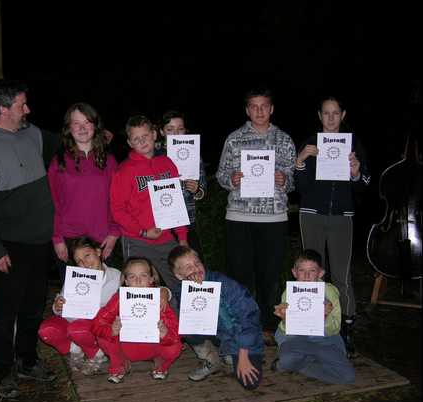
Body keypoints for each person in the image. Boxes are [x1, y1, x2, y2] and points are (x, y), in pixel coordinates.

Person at [0, 79, 56, 400]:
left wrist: (97, 137)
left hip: (40, 239)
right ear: (4, 109)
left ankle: (27, 360)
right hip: (11, 244)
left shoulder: (32, 133)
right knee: (7, 310)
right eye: (22, 104)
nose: (28, 109)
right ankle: (2, 368)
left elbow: (64, 144)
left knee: (34, 305)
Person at [216, 86, 296, 345]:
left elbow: (292, 179)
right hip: (239, 217)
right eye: (254, 106)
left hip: (274, 218)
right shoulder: (234, 139)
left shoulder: (284, 140)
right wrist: (231, 179)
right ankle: (241, 326)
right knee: (239, 277)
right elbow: (221, 175)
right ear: (247, 110)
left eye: (264, 106)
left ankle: (267, 326)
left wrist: (284, 180)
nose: (259, 111)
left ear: (271, 109)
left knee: (269, 277)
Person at [295, 95, 370, 357]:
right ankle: (310, 325)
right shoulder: (310, 143)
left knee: (342, 274)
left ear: (343, 115)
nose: (330, 118)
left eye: (335, 113)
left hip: (342, 217)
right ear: (319, 116)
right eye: (325, 113)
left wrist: (356, 173)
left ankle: (346, 328)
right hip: (311, 215)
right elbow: (299, 187)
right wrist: (300, 160)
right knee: (311, 273)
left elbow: (365, 185)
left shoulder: (353, 145)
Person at [168, 246, 265, 390]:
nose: (196, 269)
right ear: (179, 276)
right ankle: (211, 359)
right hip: (217, 334)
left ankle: (232, 353)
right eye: (188, 267)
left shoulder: (225, 284)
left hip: (238, 336)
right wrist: (196, 292)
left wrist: (243, 354)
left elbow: (249, 317)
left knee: (250, 383)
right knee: (183, 322)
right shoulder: (182, 290)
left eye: (197, 263)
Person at [110, 115, 188, 291]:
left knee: (182, 285)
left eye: (145, 136)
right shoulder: (124, 171)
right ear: (130, 143)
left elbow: (176, 203)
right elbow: (117, 210)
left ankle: (175, 310)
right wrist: (143, 232)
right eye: (136, 139)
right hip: (137, 241)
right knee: (141, 290)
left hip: (167, 239)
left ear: (154, 134)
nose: (142, 141)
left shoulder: (167, 164)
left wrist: (182, 237)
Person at [48, 102, 120, 284]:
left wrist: (114, 233)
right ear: (68, 128)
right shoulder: (59, 161)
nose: (82, 128)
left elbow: (117, 201)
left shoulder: (109, 161)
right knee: (76, 296)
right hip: (69, 239)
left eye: (87, 122)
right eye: (76, 123)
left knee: (105, 295)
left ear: (95, 125)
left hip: (101, 239)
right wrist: (57, 238)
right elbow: (53, 202)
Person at [38, 237, 121, 375]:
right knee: (46, 330)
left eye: (87, 255)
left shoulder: (117, 276)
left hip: (99, 326)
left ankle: (96, 353)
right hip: (73, 322)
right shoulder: (75, 277)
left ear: (98, 252)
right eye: (79, 261)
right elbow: (61, 304)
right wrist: (58, 306)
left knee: (78, 329)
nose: (84, 263)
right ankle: (75, 350)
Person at [92, 257, 182, 383]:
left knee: (175, 346)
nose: (138, 280)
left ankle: (161, 363)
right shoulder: (119, 298)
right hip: (126, 348)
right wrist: (111, 330)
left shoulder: (159, 299)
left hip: (153, 348)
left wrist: (165, 333)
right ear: (126, 281)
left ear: (151, 279)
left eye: (143, 275)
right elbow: (97, 323)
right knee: (103, 336)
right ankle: (120, 363)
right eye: (132, 276)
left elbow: (176, 330)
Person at [272, 249, 355, 384]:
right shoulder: (289, 291)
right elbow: (287, 331)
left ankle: (304, 362)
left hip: (323, 340)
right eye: (302, 270)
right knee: (288, 360)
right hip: (297, 340)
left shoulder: (330, 292)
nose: (306, 276)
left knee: (347, 377)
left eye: (312, 271)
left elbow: (335, 328)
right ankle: (306, 360)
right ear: (294, 272)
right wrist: (285, 319)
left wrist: (325, 316)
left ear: (320, 273)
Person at [156, 110, 208, 258]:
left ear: (185, 131)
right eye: (170, 129)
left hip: (187, 220)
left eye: (180, 129)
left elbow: (203, 191)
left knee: (193, 264)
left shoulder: (193, 154)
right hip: (160, 225)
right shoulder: (153, 155)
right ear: (162, 132)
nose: (176, 134)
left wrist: (197, 189)